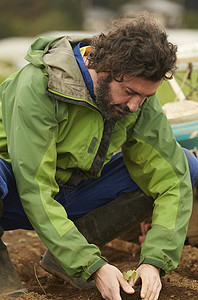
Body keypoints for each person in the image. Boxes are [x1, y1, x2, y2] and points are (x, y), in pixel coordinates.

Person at [0, 13, 198, 300]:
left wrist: (155, 261)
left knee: (184, 165)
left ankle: (65, 255)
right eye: (129, 92)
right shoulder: (39, 84)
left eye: (144, 97)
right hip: (17, 192)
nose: (134, 106)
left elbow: (172, 179)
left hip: (72, 190)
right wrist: (92, 267)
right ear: (105, 67)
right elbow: (35, 186)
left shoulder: (137, 101)